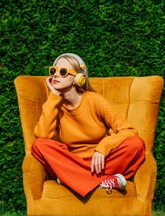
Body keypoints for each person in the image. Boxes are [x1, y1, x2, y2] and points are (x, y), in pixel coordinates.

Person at [30, 53, 146, 197]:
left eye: (63, 72)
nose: (55, 75)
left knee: (136, 144)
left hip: (101, 163)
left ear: (78, 78)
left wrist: (103, 148)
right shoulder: (54, 105)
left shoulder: (95, 100)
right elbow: (43, 135)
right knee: (39, 145)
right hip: (72, 163)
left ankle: (72, 180)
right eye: (53, 70)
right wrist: (53, 95)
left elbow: (129, 130)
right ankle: (103, 181)